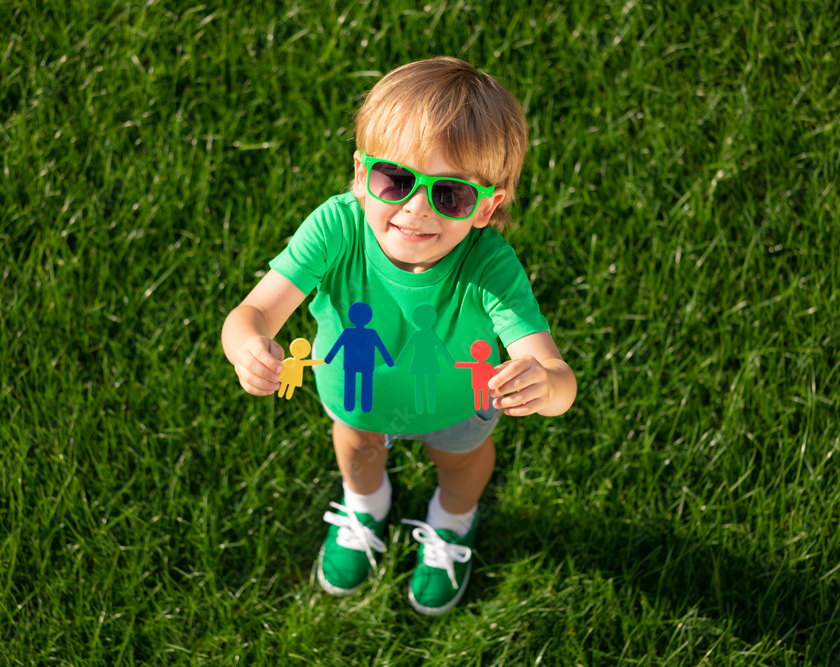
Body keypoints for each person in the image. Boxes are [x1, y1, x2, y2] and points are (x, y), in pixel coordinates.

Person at [221, 56, 577, 616]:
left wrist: (546, 387)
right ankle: (366, 506)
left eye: (450, 195)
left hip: (458, 404)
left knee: (459, 462)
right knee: (357, 446)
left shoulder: (489, 267)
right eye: (397, 179)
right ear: (362, 174)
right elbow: (253, 312)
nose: (415, 208)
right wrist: (248, 345)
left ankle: (452, 522)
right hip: (359, 394)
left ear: (488, 207)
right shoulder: (336, 228)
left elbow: (556, 375)